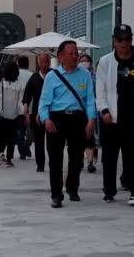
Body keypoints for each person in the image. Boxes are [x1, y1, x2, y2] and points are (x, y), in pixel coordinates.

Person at [96, 24, 134, 207]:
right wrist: (103, 110)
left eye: (127, 39)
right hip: (111, 118)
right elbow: (101, 89)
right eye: (120, 39)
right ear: (114, 41)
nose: (124, 43)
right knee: (109, 158)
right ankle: (109, 190)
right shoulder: (105, 62)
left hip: (133, 117)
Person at [39, 41, 96, 208]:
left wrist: (91, 119)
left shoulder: (84, 74)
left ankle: (72, 187)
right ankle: (56, 194)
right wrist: (46, 119)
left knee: (77, 158)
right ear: (61, 56)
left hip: (78, 119)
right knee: (55, 159)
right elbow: (44, 102)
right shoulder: (52, 76)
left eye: (76, 53)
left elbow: (90, 99)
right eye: (70, 53)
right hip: (57, 119)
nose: (74, 56)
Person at [0, 62, 25, 168]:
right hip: (14, 115)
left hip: (0, 113)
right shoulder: (21, 84)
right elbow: (20, 102)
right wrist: (23, 113)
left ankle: (0, 151)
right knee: (11, 138)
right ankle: (9, 159)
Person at [23, 53, 51, 172]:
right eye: (42, 62)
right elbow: (27, 95)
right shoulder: (34, 77)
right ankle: (40, 164)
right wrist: (25, 108)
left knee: (52, 141)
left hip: (52, 113)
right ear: (38, 62)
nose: (44, 64)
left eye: (46, 62)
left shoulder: (54, 74)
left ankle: (53, 162)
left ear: (49, 62)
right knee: (39, 141)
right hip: (36, 113)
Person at [78, 54, 98, 174]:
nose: (84, 63)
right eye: (82, 61)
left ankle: (90, 162)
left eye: (86, 61)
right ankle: (80, 159)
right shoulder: (76, 76)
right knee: (79, 137)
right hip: (78, 112)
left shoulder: (95, 77)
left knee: (90, 136)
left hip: (91, 111)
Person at [16, 56, 33, 160]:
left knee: (20, 132)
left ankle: (22, 151)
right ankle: (27, 146)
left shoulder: (15, 75)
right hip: (30, 108)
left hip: (18, 108)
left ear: (18, 64)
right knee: (31, 131)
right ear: (28, 63)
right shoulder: (32, 75)